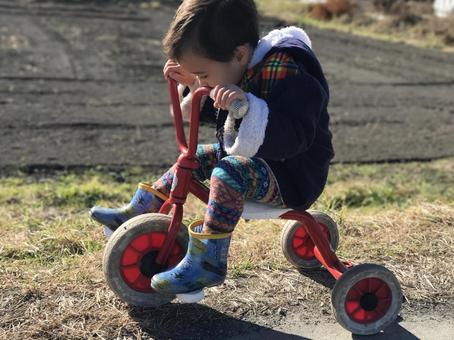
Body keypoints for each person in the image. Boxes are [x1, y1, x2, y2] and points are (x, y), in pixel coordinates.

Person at [90, 0, 334, 295]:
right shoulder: (238, 66)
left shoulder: (289, 71)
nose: (201, 81)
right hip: (260, 161)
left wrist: (246, 108)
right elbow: (215, 114)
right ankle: (141, 210)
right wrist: (194, 87)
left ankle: (208, 263)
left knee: (228, 171)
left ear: (240, 54)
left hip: (294, 175)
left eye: (203, 75)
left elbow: (296, 136)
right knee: (194, 158)